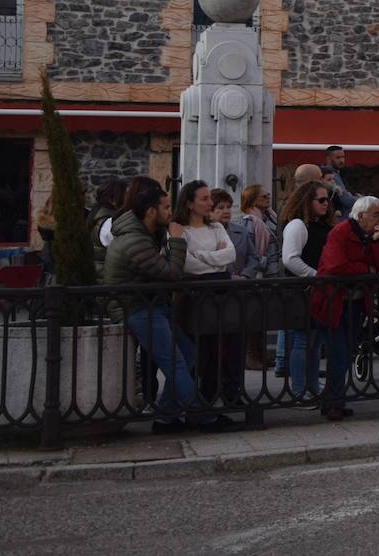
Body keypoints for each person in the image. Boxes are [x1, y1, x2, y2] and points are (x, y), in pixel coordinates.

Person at [102, 177, 241, 434]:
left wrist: (197, 256)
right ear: (151, 211)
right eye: (165, 208)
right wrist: (178, 240)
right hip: (138, 309)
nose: (170, 212)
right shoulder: (136, 240)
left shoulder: (146, 234)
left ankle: (166, 417)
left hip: (154, 305)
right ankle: (202, 415)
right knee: (176, 361)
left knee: (188, 354)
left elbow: (226, 256)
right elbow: (173, 271)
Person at [310, 195, 379, 421]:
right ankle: (333, 403)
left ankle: (334, 400)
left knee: (345, 353)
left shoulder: (377, 235)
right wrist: (367, 268)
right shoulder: (340, 232)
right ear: (360, 215)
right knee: (338, 352)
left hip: (357, 302)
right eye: (376, 214)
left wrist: (378, 242)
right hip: (333, 302)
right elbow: (337, 266)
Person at [176, 181, 242, 407]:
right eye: (204, 199)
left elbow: (230, 254)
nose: (210, 203)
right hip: (196, 295)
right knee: (198, 352)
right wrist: (215, 258)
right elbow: (186, 264)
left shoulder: (216, 227)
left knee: (219, 352)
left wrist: (203, 256)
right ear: (189, 203)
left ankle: (212, 398)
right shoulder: (180, 230)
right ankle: (192, 402)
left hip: (219, 292)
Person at [280, 181, 336, 401]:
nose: (326, 204)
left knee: (314, 341)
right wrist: (316, 276)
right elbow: (290, 259)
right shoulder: (297, 225)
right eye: (321, 200)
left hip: (316, 290)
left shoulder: (317, 225)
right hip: (302, 291)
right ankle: (299, 388)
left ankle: (311, 385)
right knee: (302, 341)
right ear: (307, 201)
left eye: (327, 200)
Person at [233, 184, 279, 369]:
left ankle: (259, 352)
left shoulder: (270, 217)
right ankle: (251, 355)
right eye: (263, 196)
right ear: (252, 200)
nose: (268, 197)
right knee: (253, 315)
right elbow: (250, 250)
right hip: (258, 274)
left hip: (270, 273)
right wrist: (262, 265)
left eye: (268, 194)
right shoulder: (250, 222)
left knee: (262, 315)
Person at [88, 179, 125, 281]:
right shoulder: (109, 223)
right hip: (107, 280)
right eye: (125, 196)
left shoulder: (98, 216)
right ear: (112, 200)